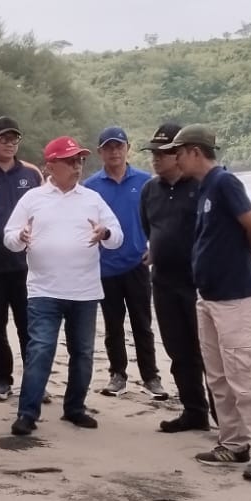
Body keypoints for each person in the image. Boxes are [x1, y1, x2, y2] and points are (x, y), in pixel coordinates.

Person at [163, 126, 251, 481]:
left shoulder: (224, 183)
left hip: (232, 297)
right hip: (209, 295)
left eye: (179, 152)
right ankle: (233, 442)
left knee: (243, 377)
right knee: (217, 376)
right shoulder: (205, 187)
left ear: (195, 152)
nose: (175, 159)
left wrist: (239, 267)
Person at [3, 136, 122, 435]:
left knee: (83, 353)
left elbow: (117, 237)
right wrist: (20, 237)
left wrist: (105, 233)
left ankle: (75, 408)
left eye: (79, 160)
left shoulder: (92, 198)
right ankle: (27, 413)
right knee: (40, 350)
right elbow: (9, 237)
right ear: (50, 165)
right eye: (69, 160)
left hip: (84, 291)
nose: (77, 165)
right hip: (44, 290)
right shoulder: (33, 199)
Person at [84, 127, 167, 399]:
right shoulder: (91, 187)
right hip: (105, 267)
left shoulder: (145, 181)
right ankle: (117, 374)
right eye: (108, 147)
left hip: (137, 264)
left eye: (119, 146)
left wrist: (155, 247)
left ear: (128, 148)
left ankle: (151, 376)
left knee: (142, 324)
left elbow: (159, 219)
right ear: (100, 152)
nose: (114, 152)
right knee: (113, 325)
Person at [140, 122, 210, 432]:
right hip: (163, 282)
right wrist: (158, 250)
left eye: (164, 152)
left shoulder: (201, 186)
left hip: (198, 282)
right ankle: (194, 411)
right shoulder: (150, 190)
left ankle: (224, 417)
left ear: (180, 153)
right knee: (178, 350)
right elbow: (150, 229)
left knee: (207, 351)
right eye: (153, 153)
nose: (156, 158)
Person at [0, 116, 45, 400]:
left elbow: (44, 212)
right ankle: (1, 380)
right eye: (3, 138)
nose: (9, 143)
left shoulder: (31, 173)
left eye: (14, 138)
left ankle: (35, 381)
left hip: (26, 265)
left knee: (30, 325)